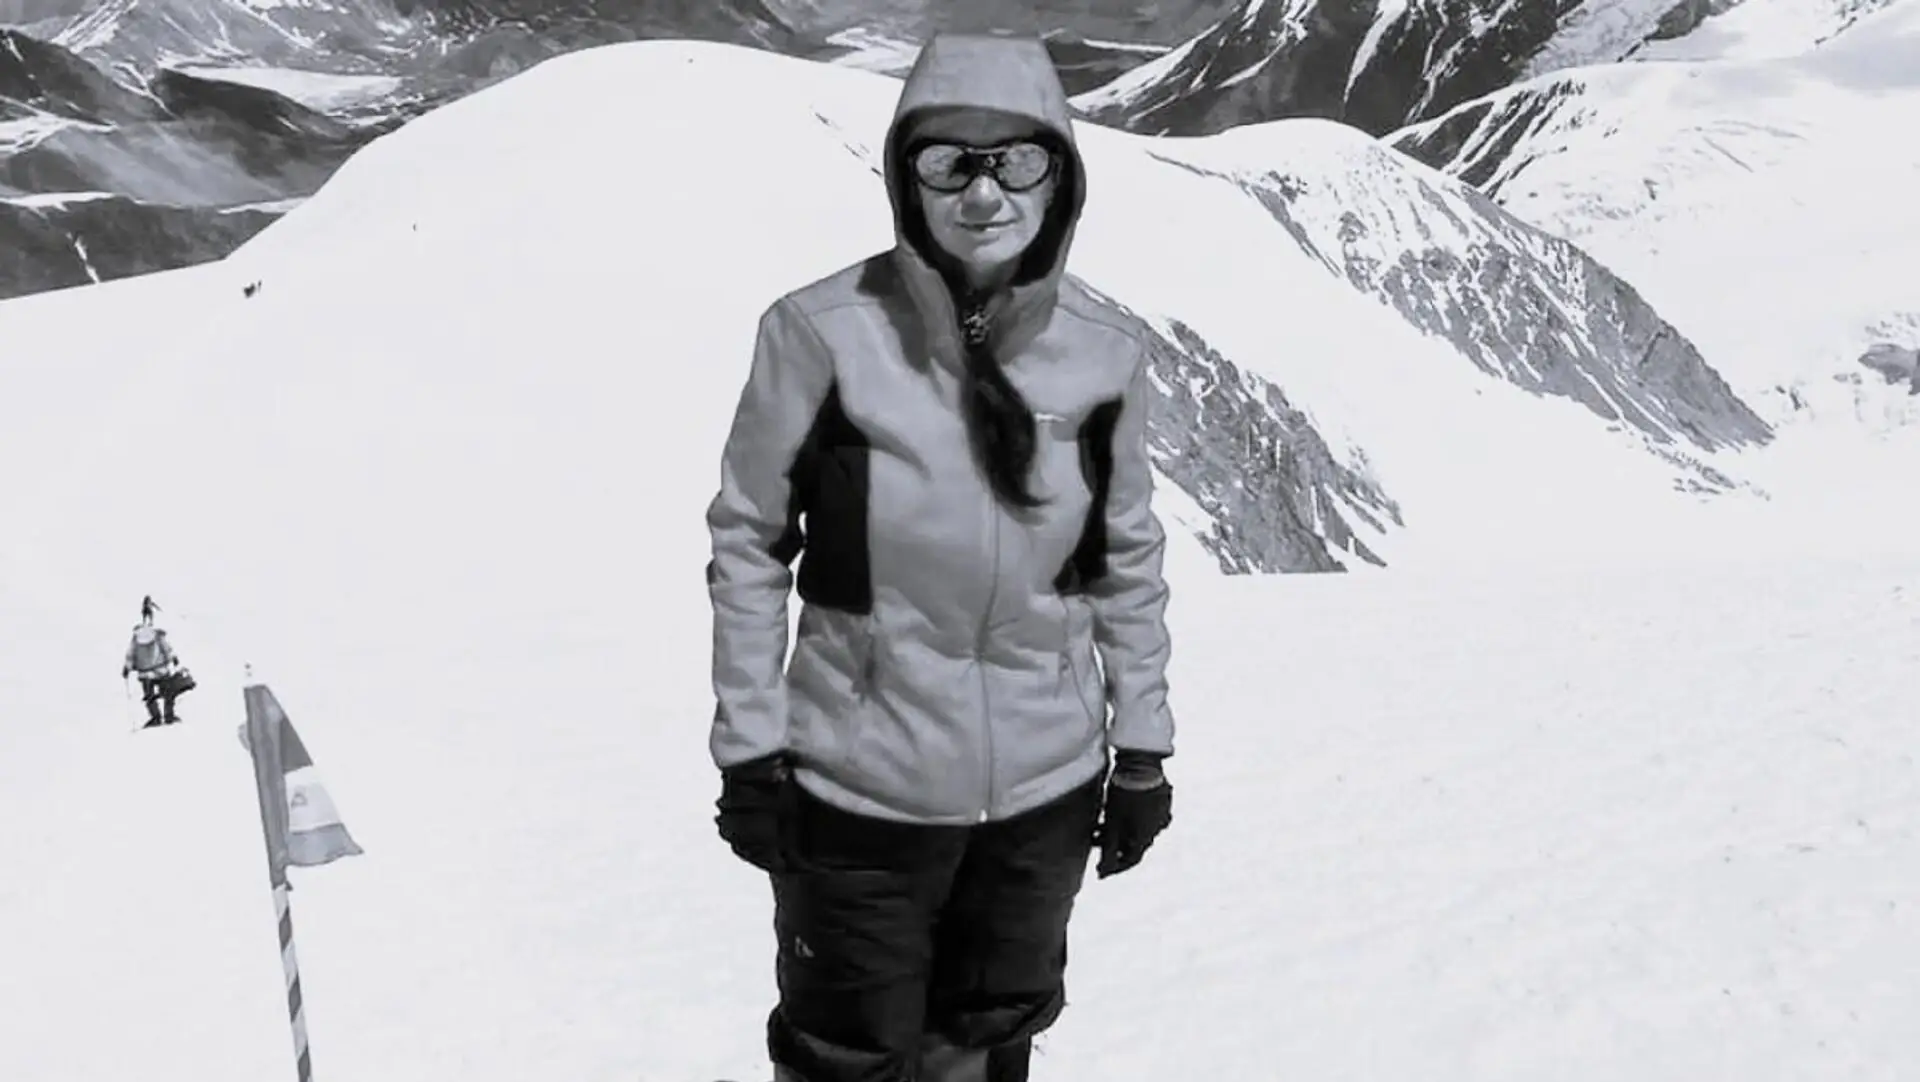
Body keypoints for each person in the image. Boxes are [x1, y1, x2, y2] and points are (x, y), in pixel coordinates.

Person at [704, 30, 1177, 1082]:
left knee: (988, 1037)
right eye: (949, 161)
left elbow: (1126, 558)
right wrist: (750, 749)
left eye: (1017, 159)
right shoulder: (819, 334)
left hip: (1045, 793)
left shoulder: (1105, 353)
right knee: (846, 1052)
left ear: (1061, 176)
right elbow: (749, 541)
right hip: (858, 790)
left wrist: (1142, 748)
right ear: (904, 177)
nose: (984, 192)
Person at [122, 597, 188, 727]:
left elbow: (131, 653)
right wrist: (173, 658)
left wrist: (127, 668)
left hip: (144, 672)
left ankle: (156, 717)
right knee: (168, 693)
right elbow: (166, 648)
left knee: (149, 696)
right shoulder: (157, 635)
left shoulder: (136, 637)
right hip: (160, 669)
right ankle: (169, 715)